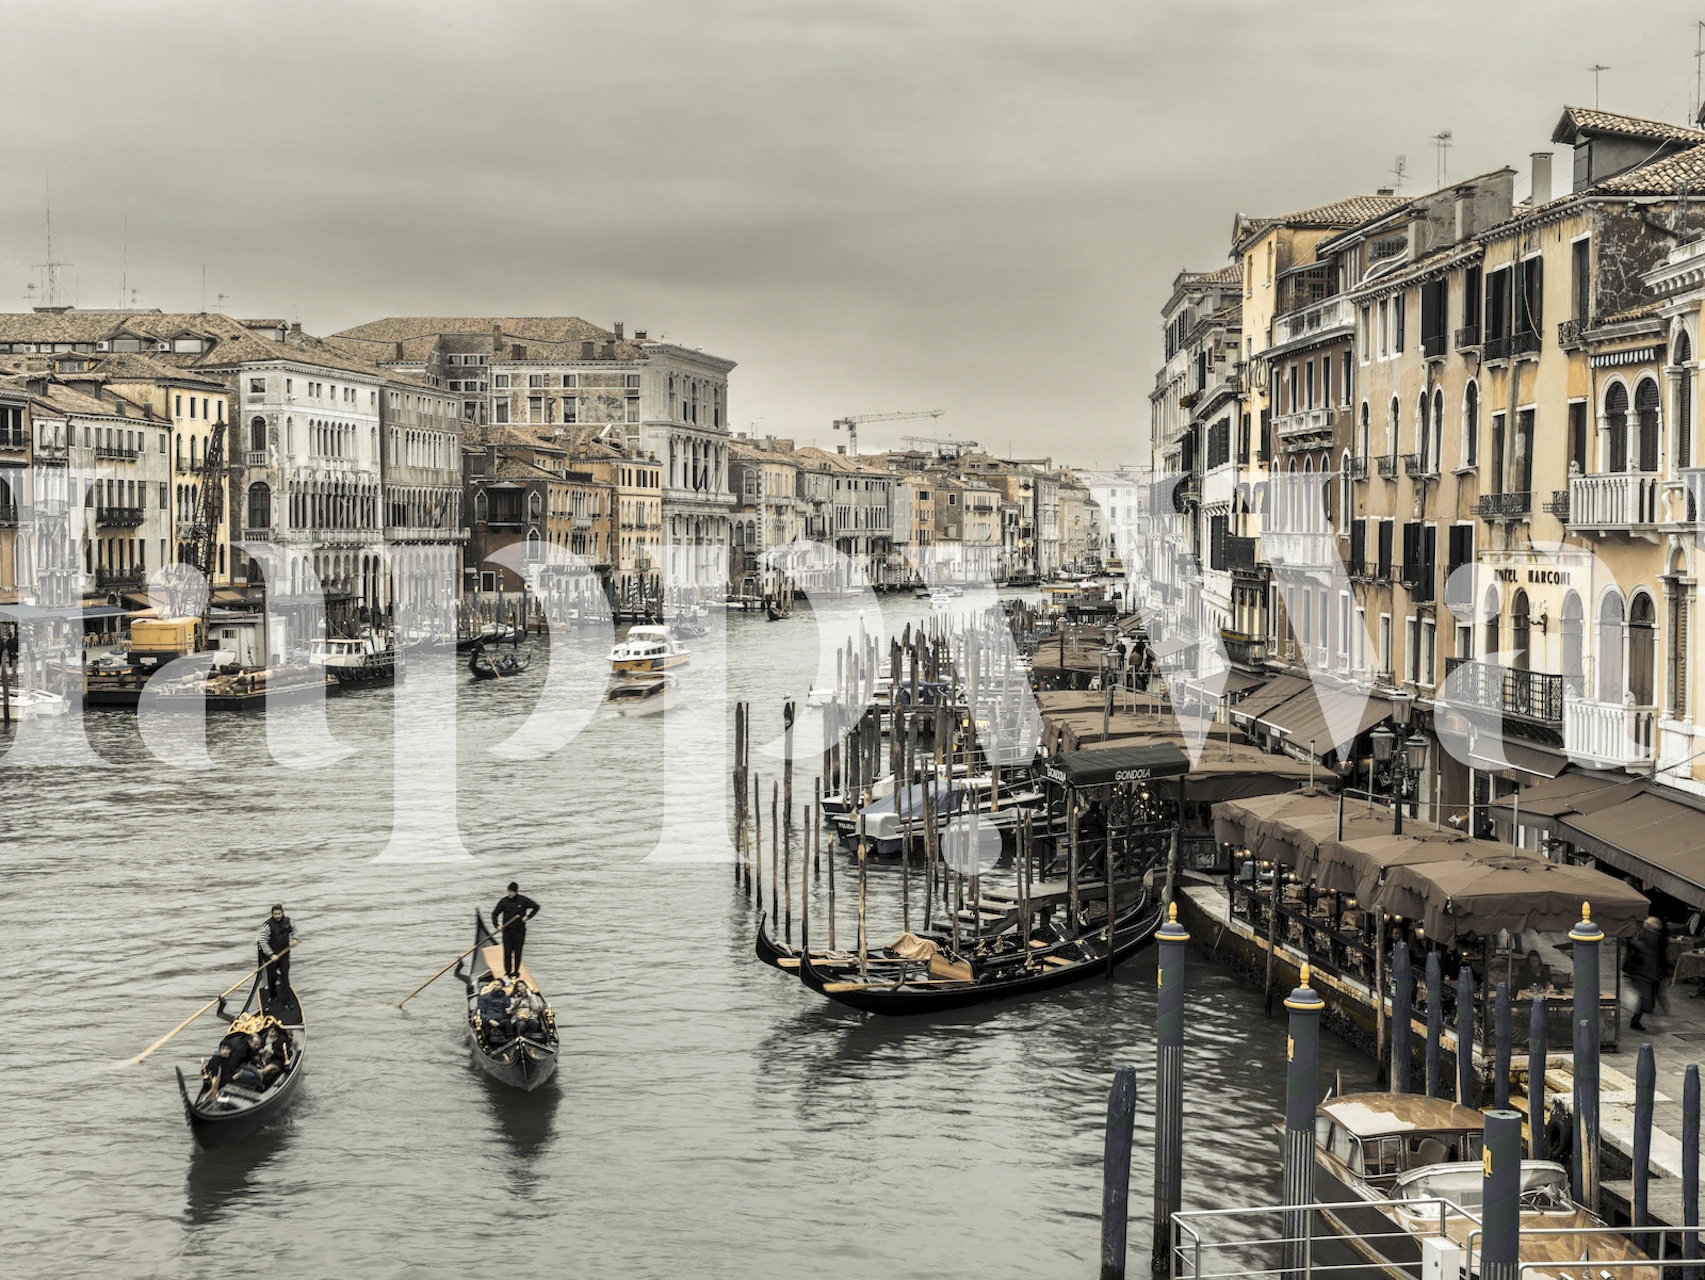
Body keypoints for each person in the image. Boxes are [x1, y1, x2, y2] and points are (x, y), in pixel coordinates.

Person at [491, 882, 539, 979]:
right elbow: (494, 914)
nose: (510, 894)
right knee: (507, 952)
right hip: (507, 932)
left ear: (516, 892)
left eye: (512, 892)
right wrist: (497, 926)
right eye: (509, 891)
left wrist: (528, 917)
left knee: (518, 952)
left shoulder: (523, 900)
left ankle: (516, 972)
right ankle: (507, 972)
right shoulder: (503, 901)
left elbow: (536, 907)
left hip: (519, 931)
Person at [1627, 916, 1667, 1031]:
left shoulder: (1641, 936)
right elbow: (1652, 956)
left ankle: (1637, 1019)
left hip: (1644, 972)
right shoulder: (1652, 937)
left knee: (1648, 996)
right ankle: (1652, 1020)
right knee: (1648, 997)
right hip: (1646, 972)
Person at [257, 904, 299, 1005]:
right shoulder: (268, 925)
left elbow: (294, 931)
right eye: (275, 914)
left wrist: (294, 939)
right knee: (272, 977)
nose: (277, 916)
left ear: (282, 913)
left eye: (279, 913)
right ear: (272, 914)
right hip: (271, 955)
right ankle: (272, 996)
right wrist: (271, 954)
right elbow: (262, 940)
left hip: (284, 953)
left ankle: (286, 999)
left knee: (285, 976)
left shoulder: (288, 921)